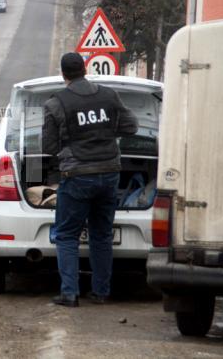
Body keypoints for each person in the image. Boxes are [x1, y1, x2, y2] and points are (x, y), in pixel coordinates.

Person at [42, 52, 138, 307]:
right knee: (101, 234)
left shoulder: (56, 103)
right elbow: (131, 127)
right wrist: (105, 134)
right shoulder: (109, 95)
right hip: (109, 174)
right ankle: (101, 292)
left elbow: (49, 146)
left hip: (77, 177)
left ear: (63, 74)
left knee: (66, 234)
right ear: (85, 69)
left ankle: (69, 293)